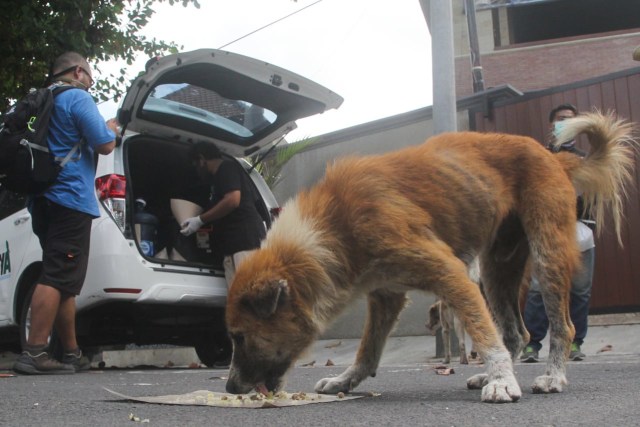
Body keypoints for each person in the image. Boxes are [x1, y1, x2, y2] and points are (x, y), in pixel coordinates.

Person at [13, 52, 118, 375]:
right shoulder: (77, 97)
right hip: (70, 198)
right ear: (78, 71)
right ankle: (34, 352)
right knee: (58, 275)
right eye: (90, 76)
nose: (90, 82)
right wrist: (111, 128)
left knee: (64, 279)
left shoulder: (45, 101)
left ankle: (72, 353)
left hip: (42, 200)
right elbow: (104, 144)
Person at [520, 103, 595, 363]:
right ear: (551, 124)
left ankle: (575, 344)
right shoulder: (540, 157)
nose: (566, 123)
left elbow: (594, 196)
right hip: (545, 229)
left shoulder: (585, 159)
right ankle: (532, 344)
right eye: (561, 119)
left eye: (572, 119)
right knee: (540, 287)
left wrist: (588, 224)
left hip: (580, 228)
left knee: (580, 289)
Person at [181, 142, 267, 367]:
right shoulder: (217, 180)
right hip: (232, 248)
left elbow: (233, 200)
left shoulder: (227, 168)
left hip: (245, 243)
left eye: (196, 164)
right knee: (239, 305)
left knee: (251, 302)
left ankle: (262, 356)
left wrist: (201, 219)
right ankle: (246, 359)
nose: (197, 170)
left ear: (201, 158)